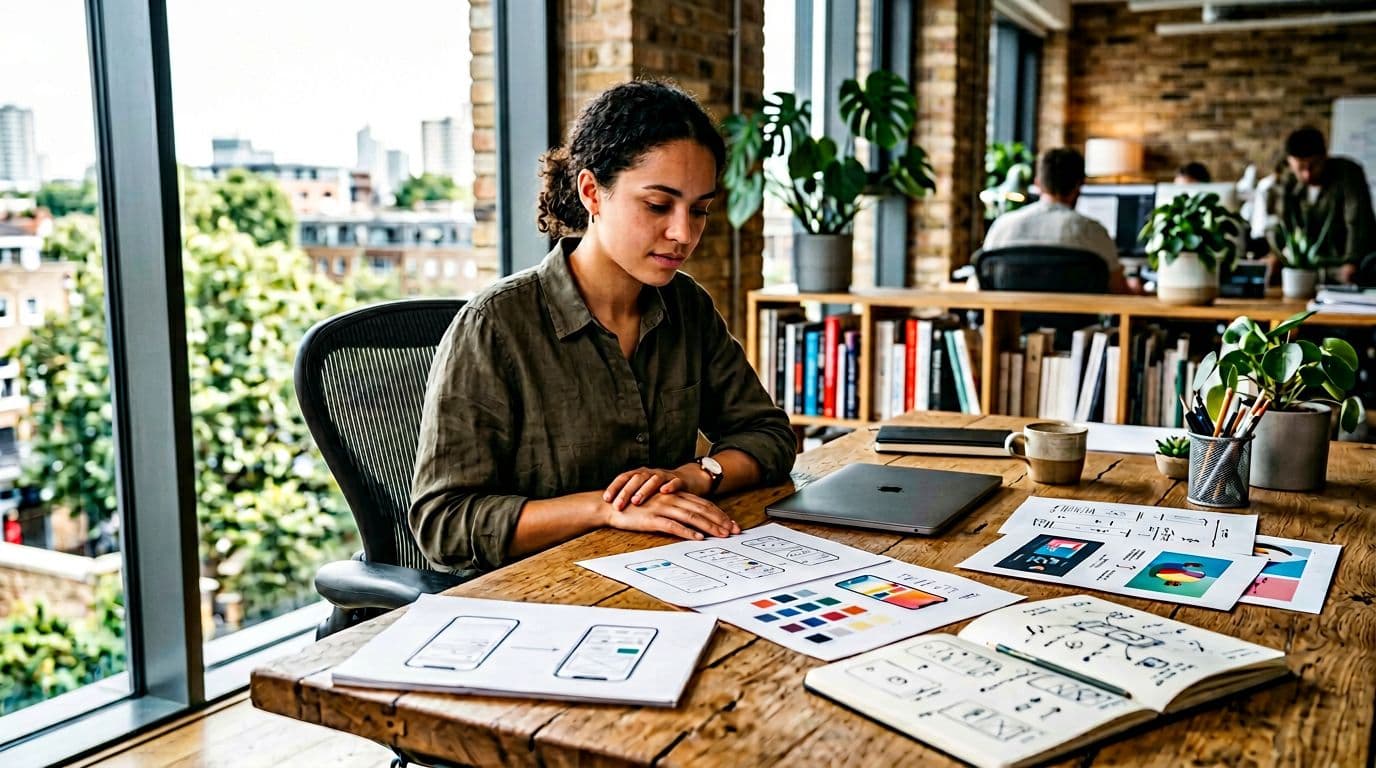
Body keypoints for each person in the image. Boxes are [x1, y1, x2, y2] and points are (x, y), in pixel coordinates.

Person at [410, 80, 797, 573]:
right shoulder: (494, 326)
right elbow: (443, 523)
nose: (683, 233)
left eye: (699, 209)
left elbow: (767, 435)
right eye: (658, 205)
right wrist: (607, 507)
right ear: (592, 192)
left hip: (667, 572)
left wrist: (695, 477)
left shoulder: (687, 307)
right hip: (537, 595)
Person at [981, 147, 1126, 292]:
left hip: (1012, 313)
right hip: (1073, 314)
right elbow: (1118, 289)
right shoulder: (1094, 231)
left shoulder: (1003, 226)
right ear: (1079, 186)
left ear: (1038, 184)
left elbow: (978, 285)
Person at [1280, 126, 1376, 284]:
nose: (1307, 174)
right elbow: (1284, 226)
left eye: (1313, 166)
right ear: (1290, 162)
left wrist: (1351, 261)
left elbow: (1356, 220)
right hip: (1306, 268)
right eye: (1301, 168)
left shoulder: (1348, 173)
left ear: (1325, 156)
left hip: (1346, 265)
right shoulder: (1288, 183)